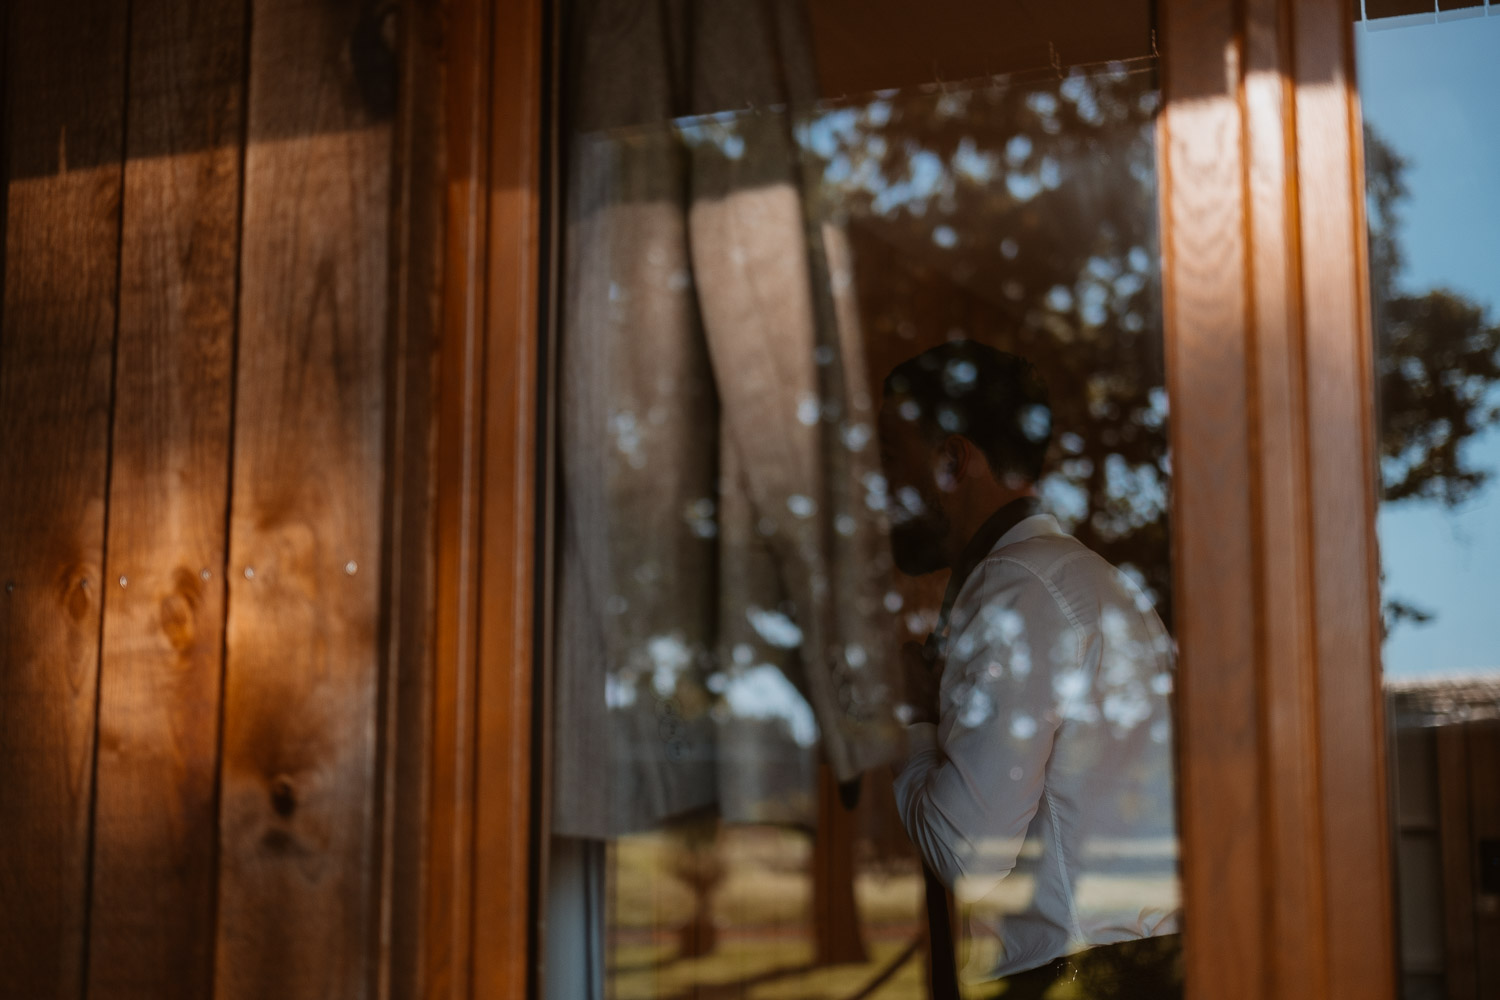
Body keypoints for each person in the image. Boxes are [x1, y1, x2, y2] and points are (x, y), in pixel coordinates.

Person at [878, 341, 1182, 998]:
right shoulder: (1089, 582)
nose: (883, 491)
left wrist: (910, 715)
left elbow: (967, 857)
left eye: (893, 463)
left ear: (953, 461)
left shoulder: (1015, 591)